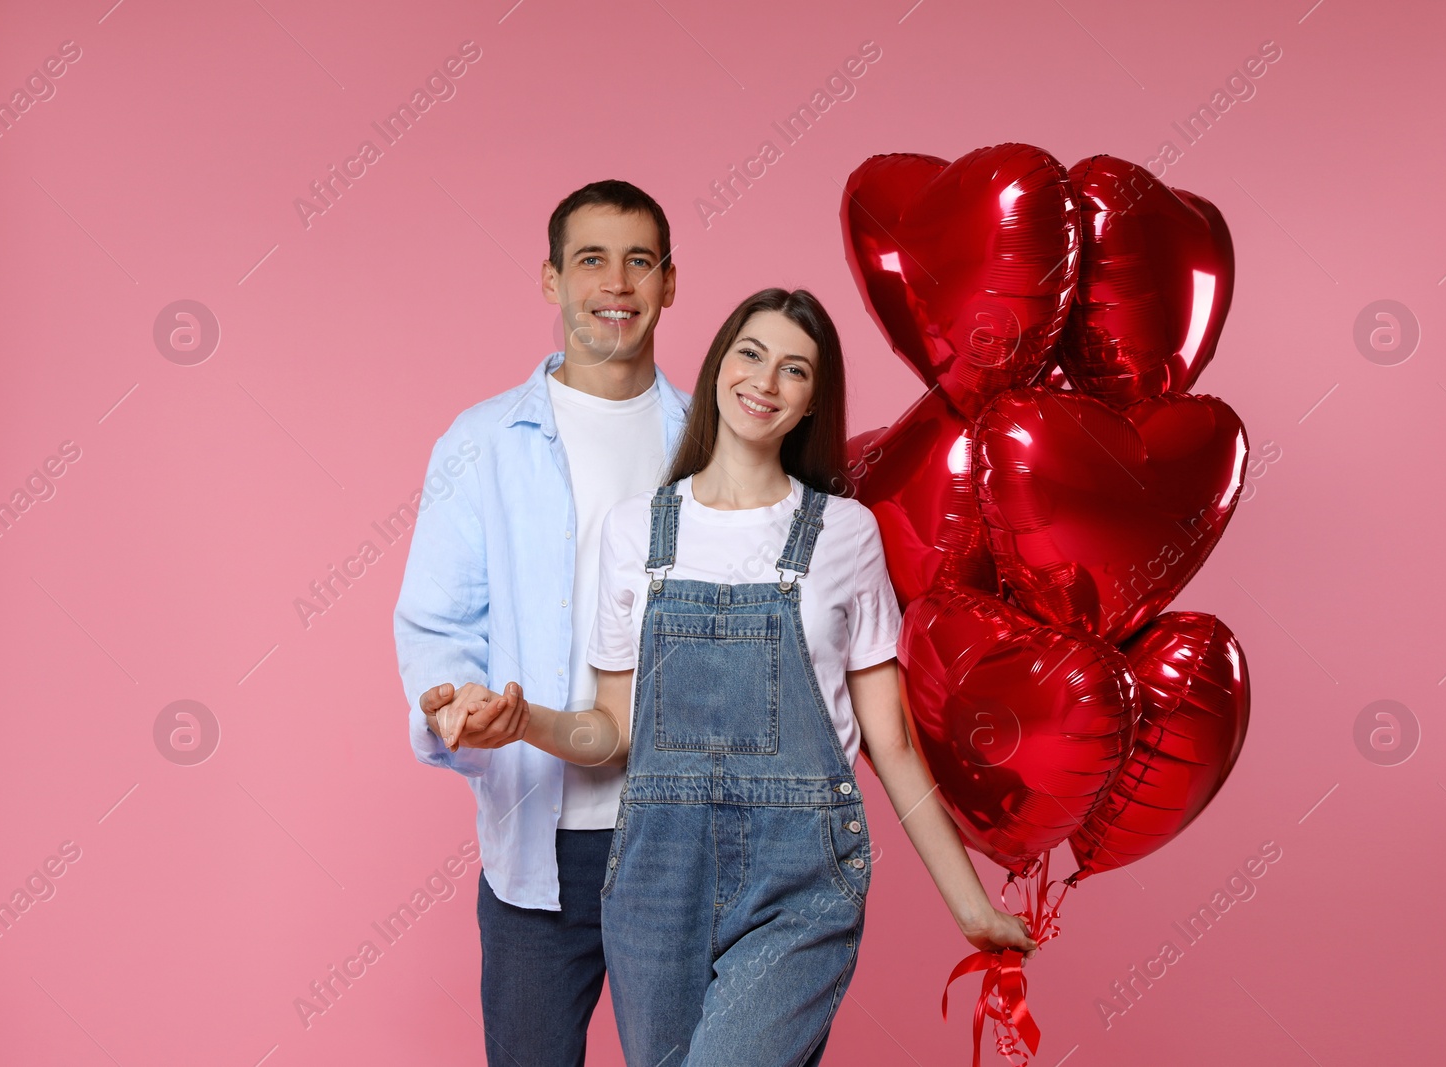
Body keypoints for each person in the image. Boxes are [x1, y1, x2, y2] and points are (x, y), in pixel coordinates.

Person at [444, 287, 1037, 1066]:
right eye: (751, 354)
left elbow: (889, 742)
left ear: (810, 403)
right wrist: (527, 722)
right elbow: (613, 731)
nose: (765, 380)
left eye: (795, 370)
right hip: (657, 877)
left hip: (802, 875)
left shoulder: (844, 533)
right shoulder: (638, 529)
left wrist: (969, 903)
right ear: (721, 363)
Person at [394, 179, 690, 1067]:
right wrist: (455, 703)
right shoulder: (481, 442)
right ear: (551, 280)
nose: (617, 283)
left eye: (640, 261)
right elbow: (439, 620)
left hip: (680, 837)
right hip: (539, 848)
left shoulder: (708, 440)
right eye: (591, 259)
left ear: (670, 284)